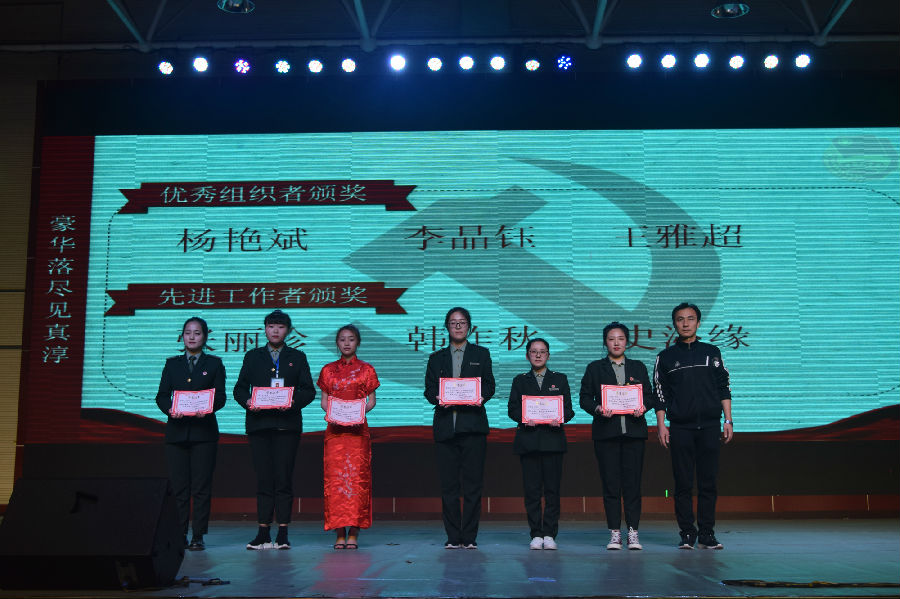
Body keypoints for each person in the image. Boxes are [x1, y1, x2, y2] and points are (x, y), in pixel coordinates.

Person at [654, 302, 733, 550]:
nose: (685, 323)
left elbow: (723, 386)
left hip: (710, 426)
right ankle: (687, 533)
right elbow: (660, 394)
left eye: (690, 319)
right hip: (680, 428)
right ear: (674, 324)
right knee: (683, 483)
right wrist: (661, 425)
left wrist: (728, 420)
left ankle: (707, 534)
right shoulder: (665, 357)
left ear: (698, 323)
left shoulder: (712, 352)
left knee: (708, 483)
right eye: (680, 319)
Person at [234, 309, 315, 550]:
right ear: (265, 329)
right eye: (271, 326)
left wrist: (292, 402)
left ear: (288, 330)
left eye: (280, 326)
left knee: (283, 479)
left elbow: (308, 390)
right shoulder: (253, 356)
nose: (275, 330)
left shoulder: (297, 357)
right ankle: (262, 533)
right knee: (263, 479)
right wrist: (248, 401)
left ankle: (283, 532)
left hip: (287, 426)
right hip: (259, 426)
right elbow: (239, 388)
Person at [424, 307, 495, 549]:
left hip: (473, 428)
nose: (457, 326)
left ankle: (470, 537)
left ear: (469, 327)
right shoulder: (436, 358)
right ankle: (453, 537)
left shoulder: (481, 354)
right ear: (447, 327)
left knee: (473, 486)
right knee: (449, 487)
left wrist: (481, 397)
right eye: (453, 322)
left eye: (462, 322)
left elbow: (489, 385)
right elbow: (429, 389)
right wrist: (438, 398)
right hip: (446, 429)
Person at [579, 322, 654, 551]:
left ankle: (633, 532)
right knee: (610, 484)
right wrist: (598, 409)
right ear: (605, 342)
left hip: (634, 433)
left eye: (620, 338)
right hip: (606, 434)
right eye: (611, 339)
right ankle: (614, 533)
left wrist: (643, 407)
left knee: (633, 485)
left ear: (627, 341)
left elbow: (650, 396)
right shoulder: (595, 368)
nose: (616, 343)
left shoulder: (638, 367)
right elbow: (584, 398)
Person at [155, 316, 226, 551]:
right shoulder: (172, 364)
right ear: (182, 336)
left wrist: (207, 408)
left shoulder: (214, 364)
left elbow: (220, 396)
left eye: (197, 333)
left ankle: (198, 535)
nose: (192, 337)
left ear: (205, 337)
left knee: (201, 487)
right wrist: (170, 409)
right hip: (176, 434)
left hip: (204, 434)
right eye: (188, 333)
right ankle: (178, 534)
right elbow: (162, 395)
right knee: (179, 488)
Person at [507, 338, 574, 550]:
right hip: (528, 442)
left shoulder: (560, 379)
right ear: (527, 355)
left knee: (552, 491)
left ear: (548, 355)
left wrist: (559, 418)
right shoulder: (520, 380)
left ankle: (550, 534)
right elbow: (512, 409)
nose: (538, 355)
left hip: (553, 442)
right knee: (532, 492)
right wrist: (524, 418)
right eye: (534, 351)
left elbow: (569, 410)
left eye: (542, 351)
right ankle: (536, 533)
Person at [317, 324, 379, 550]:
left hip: (357, 434)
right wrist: (337, 415)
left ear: (358, 342)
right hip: (335, 434)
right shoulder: (327, 370)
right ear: (337, 342)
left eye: (351, 339)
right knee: (335, 483)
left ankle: (354, 531)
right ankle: (339, 532)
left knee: (356, 481)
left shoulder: (367, 370)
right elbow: (324, 402)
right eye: (342, 339)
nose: (346, 343)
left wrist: (356, 414)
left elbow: (371, 401)